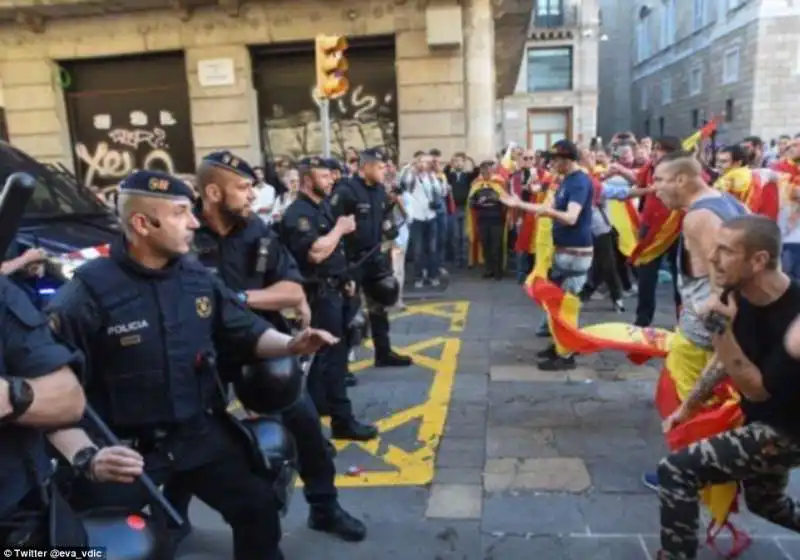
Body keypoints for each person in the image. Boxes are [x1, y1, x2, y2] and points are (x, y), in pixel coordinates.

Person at [45, 169, 337, 560]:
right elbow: (46, 388)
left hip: (197, 434)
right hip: (122, 452)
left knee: (258, 506)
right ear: (143, 223)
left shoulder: (197, 278)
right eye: (181, 212)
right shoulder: (85, 294)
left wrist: (293, 344)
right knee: (107, 546)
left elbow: (245, 331)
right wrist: (86, 457)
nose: (195, 222)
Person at [183, 150, 367, 541]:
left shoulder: (257, 231)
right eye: (243, 187)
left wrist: (235, 300)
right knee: (186, 441)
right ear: (213, 192)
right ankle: (174, 522)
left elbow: (290, 289)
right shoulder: (182, 231)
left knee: (308, 433)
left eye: (252, 186)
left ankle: (325, 508)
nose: (253, 195)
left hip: (259, 344)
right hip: (200, 356)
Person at [656, 215, 800, 560]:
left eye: (725, 250)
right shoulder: (741, 294)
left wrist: (719, 328)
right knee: (767, 504)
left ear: (758, 260)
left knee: (677, 470)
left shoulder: (795, 316)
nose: (713, 258)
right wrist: (688, 406)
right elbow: (725, 361)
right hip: (767, 418)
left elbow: (756, 390)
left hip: (790, 428)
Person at [641, 151, 748, 494]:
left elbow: (723, 283)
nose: (653, 188)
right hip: (716, 325)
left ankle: (685, 473)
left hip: (704, 329)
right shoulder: (727, 201)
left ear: (682, 180)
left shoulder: (698, 217)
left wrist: (723, 335)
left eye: (659, 180)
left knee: (683, 401)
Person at [280, 156, 379, 440]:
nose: (332, 180)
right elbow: (315, 252)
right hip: (316, 296)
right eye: (324, 177)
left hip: (333, 289)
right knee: (328, 360)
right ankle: (339, 422)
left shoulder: (319, 206)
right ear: (308, 181)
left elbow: (334, 253)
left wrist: (344, 278)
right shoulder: (299, 213)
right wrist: (339, 229)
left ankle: (320, 415)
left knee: (325, 361)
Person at [0, 276, 86, 547]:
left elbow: (69, 397)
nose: (192, 228)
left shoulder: (4, 296)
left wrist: (13, 397)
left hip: (14, 520)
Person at [503, 140, 594, 371]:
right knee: (555, 303)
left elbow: (571, 217)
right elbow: (548, 207)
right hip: (564, 251)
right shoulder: (567, 180)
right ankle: (559, 346)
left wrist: (545, 211)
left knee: (566, 306)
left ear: (567, 160)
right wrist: (520, 204)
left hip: (575, 253)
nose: (552, 164)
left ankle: (566, 355)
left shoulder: (579, 182)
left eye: (556, 160)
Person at [331, 149, 413, 368]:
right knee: (349, 313)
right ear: (364, 166)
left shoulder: (379, 191)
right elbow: (331, 224)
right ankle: (342, 365)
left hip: (375, 257)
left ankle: (383, 353)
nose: (383, 170)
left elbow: (384, 215)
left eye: (385, 166)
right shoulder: (346, 191)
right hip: (352, 260)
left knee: (380, 306)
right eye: (379, 167)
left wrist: (389, 227)